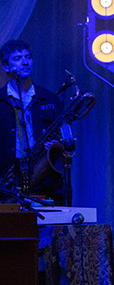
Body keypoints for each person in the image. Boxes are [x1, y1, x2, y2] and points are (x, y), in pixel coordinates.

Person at [0, 39, 66, 202]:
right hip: (7, 182)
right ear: (5, 66)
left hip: (46, 183)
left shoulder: (50, 98)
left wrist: (57, 146)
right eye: (17, 58)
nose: (25, 62)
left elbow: (65, 141)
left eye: (28, 57)